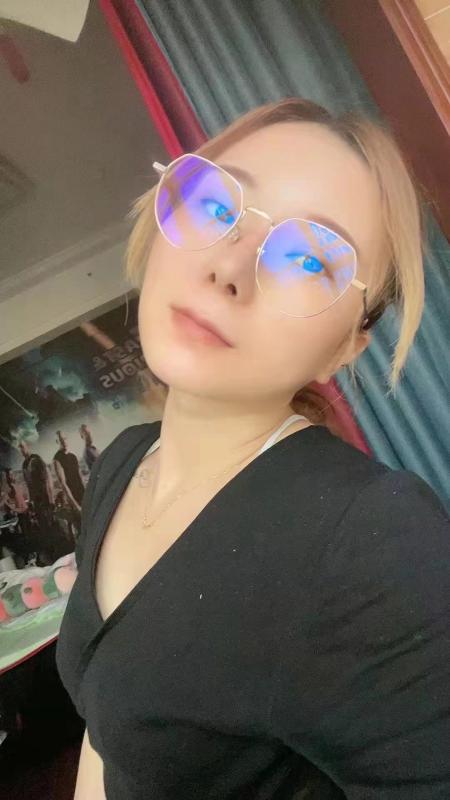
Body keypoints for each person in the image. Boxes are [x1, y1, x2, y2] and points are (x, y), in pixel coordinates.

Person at [56, 98, 450, 799]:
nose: (231, 266)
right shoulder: (121, 462)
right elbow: (105, 728)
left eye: (308, 258)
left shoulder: (371, 541)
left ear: (346, 345)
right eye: (216, 205)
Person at [53, 431, 85, 536]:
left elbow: (80, 477)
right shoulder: (57, 459)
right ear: (57, 442)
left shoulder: (73, 456)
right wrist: (75, 505)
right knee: (81, 530)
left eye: (65, 438)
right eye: (61, 440)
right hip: (73, 499)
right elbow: (63, 484)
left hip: (83, 495)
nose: (64, 441)